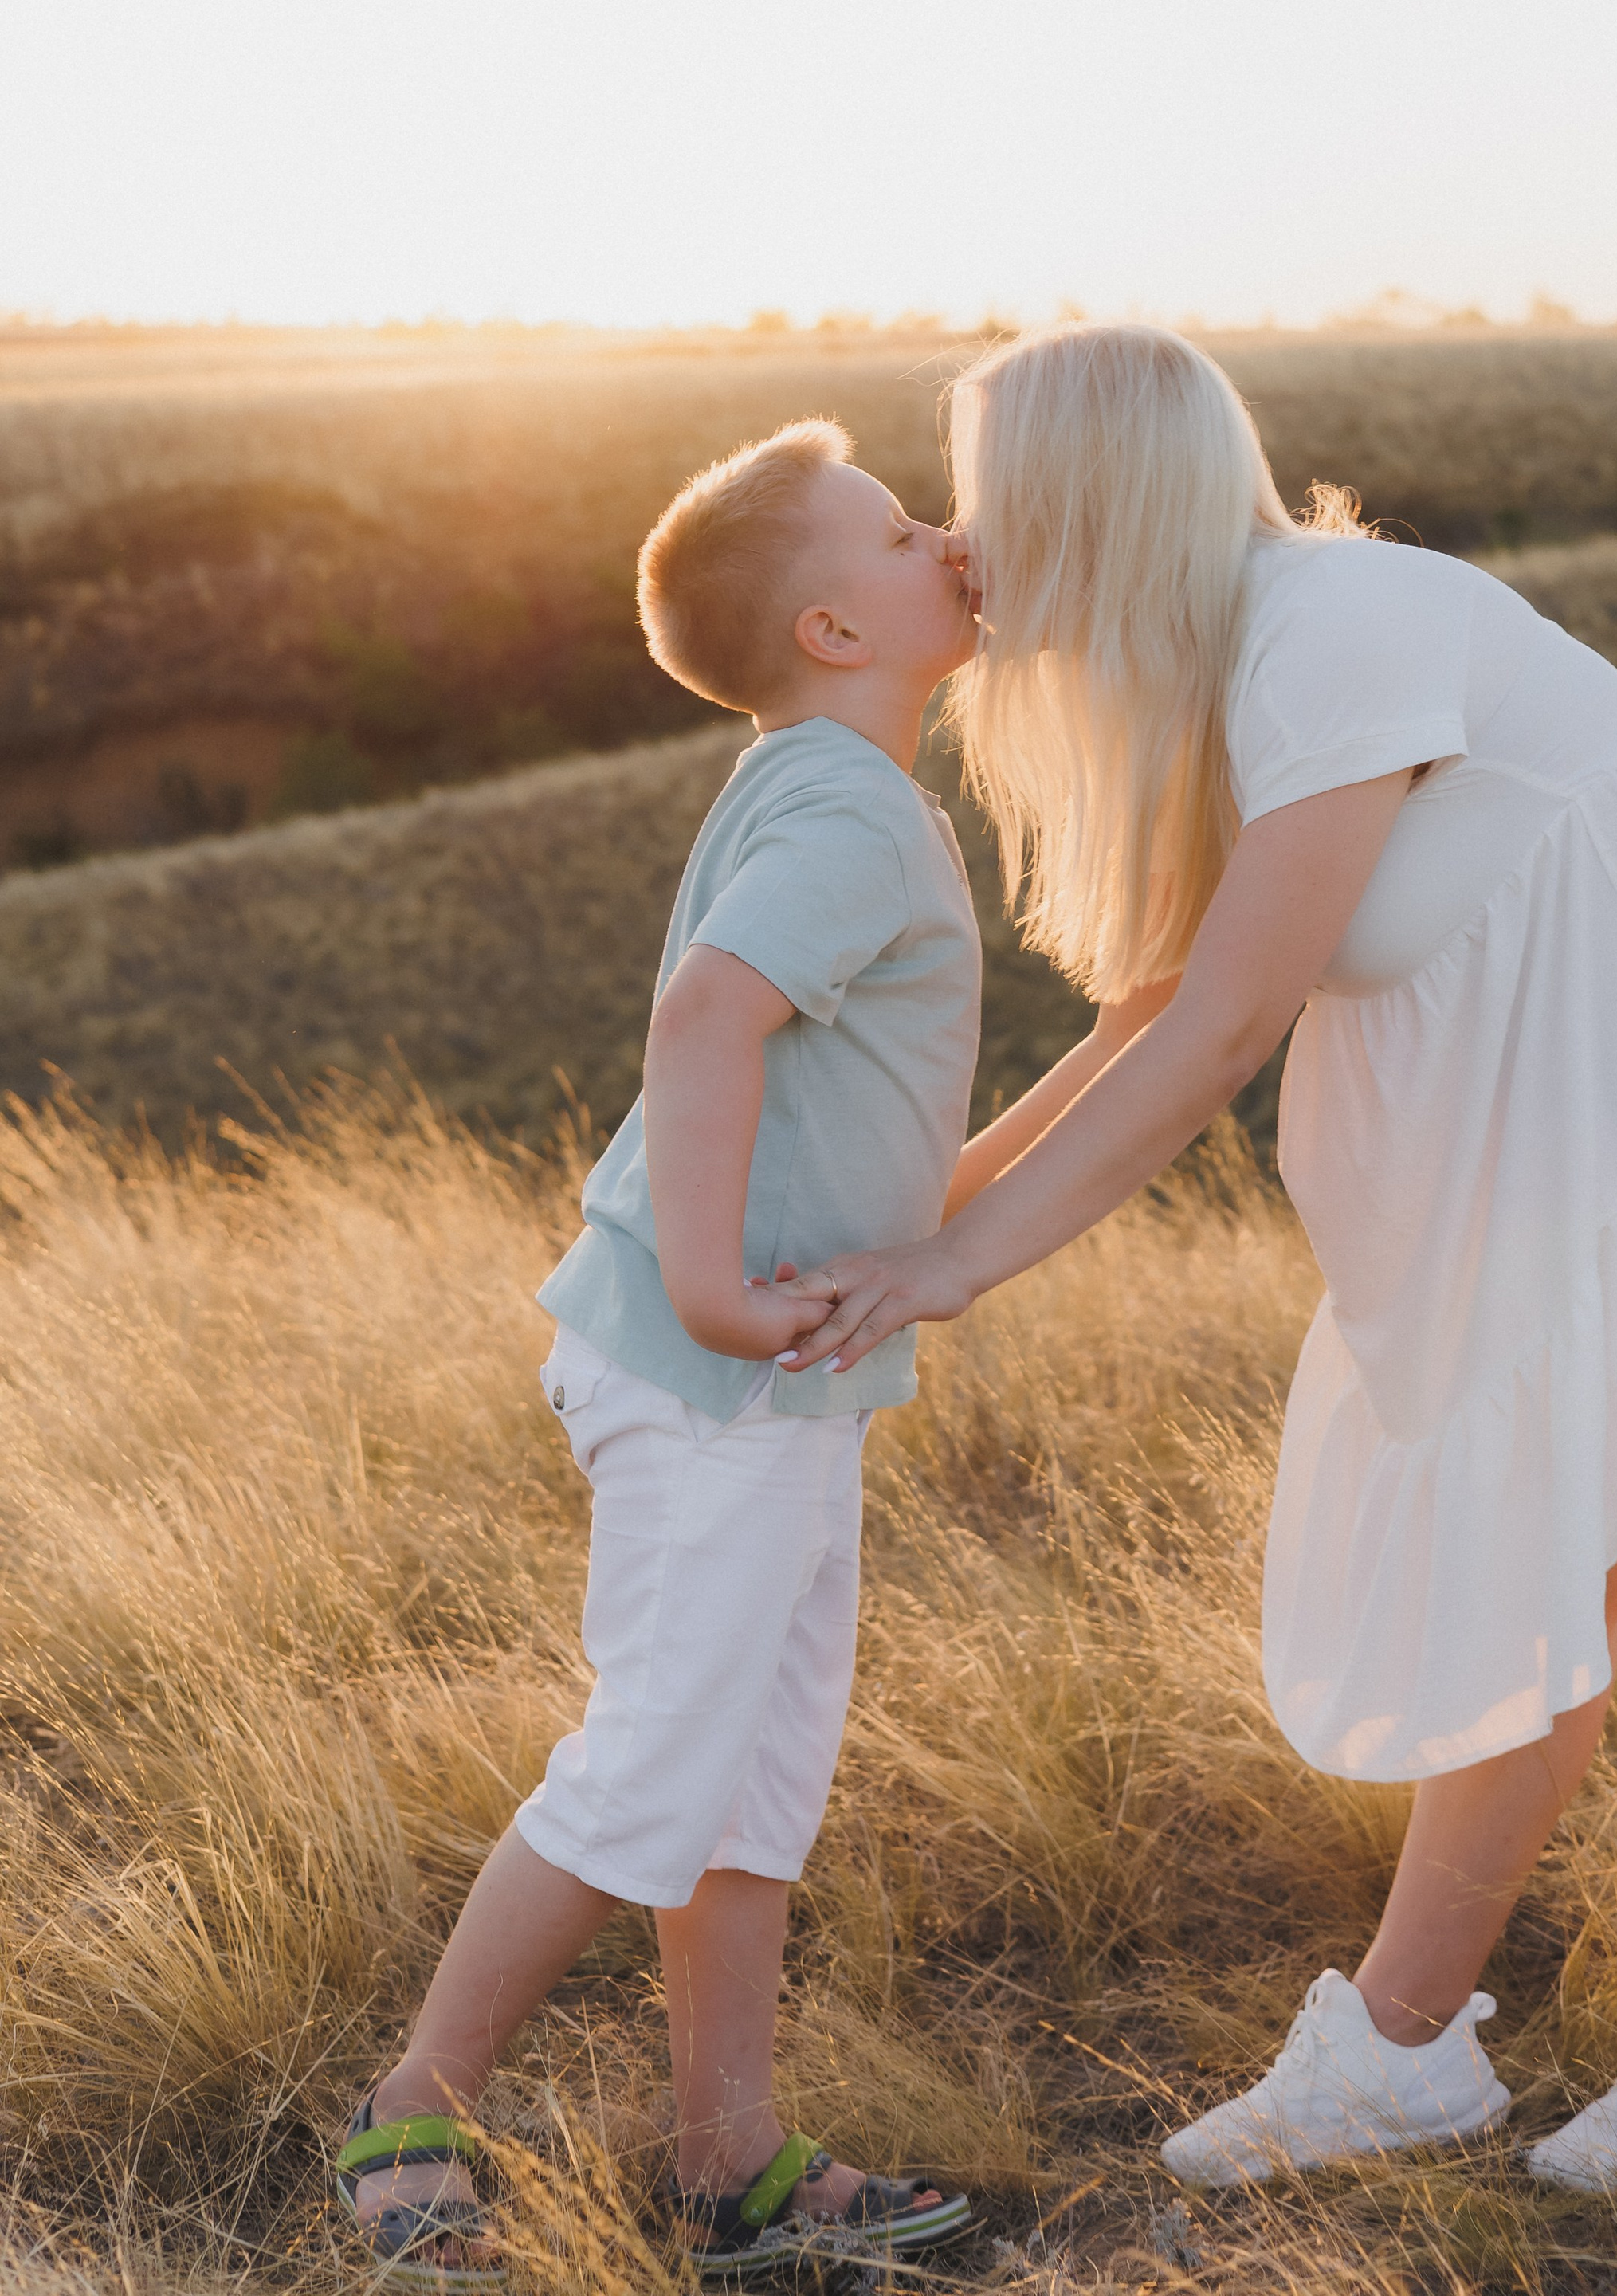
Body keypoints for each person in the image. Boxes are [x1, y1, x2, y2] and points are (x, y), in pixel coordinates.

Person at [782, 322, 1617, 2200]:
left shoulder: (1336, 621)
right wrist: (920, 1208)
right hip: (1611, 1140)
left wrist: (961, 1269)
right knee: (1564, 1546)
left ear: (1090, 497)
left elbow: (1221, 1036)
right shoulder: (1232, 671)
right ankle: (1391, 2052)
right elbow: (1152, 1001)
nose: (959, 542)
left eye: (982, 495)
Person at [336, 419, 982, 2282]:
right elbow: (704, 1014)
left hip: (765, 1377)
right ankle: (414, 2108)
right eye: (895, 530)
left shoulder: (816, 773)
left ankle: (730, 2158)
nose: (943, 537)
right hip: (717, 1370)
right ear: (830, 630)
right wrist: (710, 1287)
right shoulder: (851, 808)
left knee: (754, 1774)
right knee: (653, 1768)